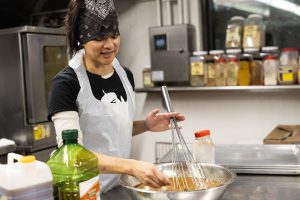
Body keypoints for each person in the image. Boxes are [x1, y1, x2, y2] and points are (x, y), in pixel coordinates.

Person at [47, 0, 185, 193]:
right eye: (99, 38)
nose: (109, 45)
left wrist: (145, 125)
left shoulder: (125, 75)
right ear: (81, 39)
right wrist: (131, 166)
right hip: (81, 190)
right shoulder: (66, 84)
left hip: (116, 186)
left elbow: (108, 130)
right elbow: (71, 154)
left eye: (114, 35)